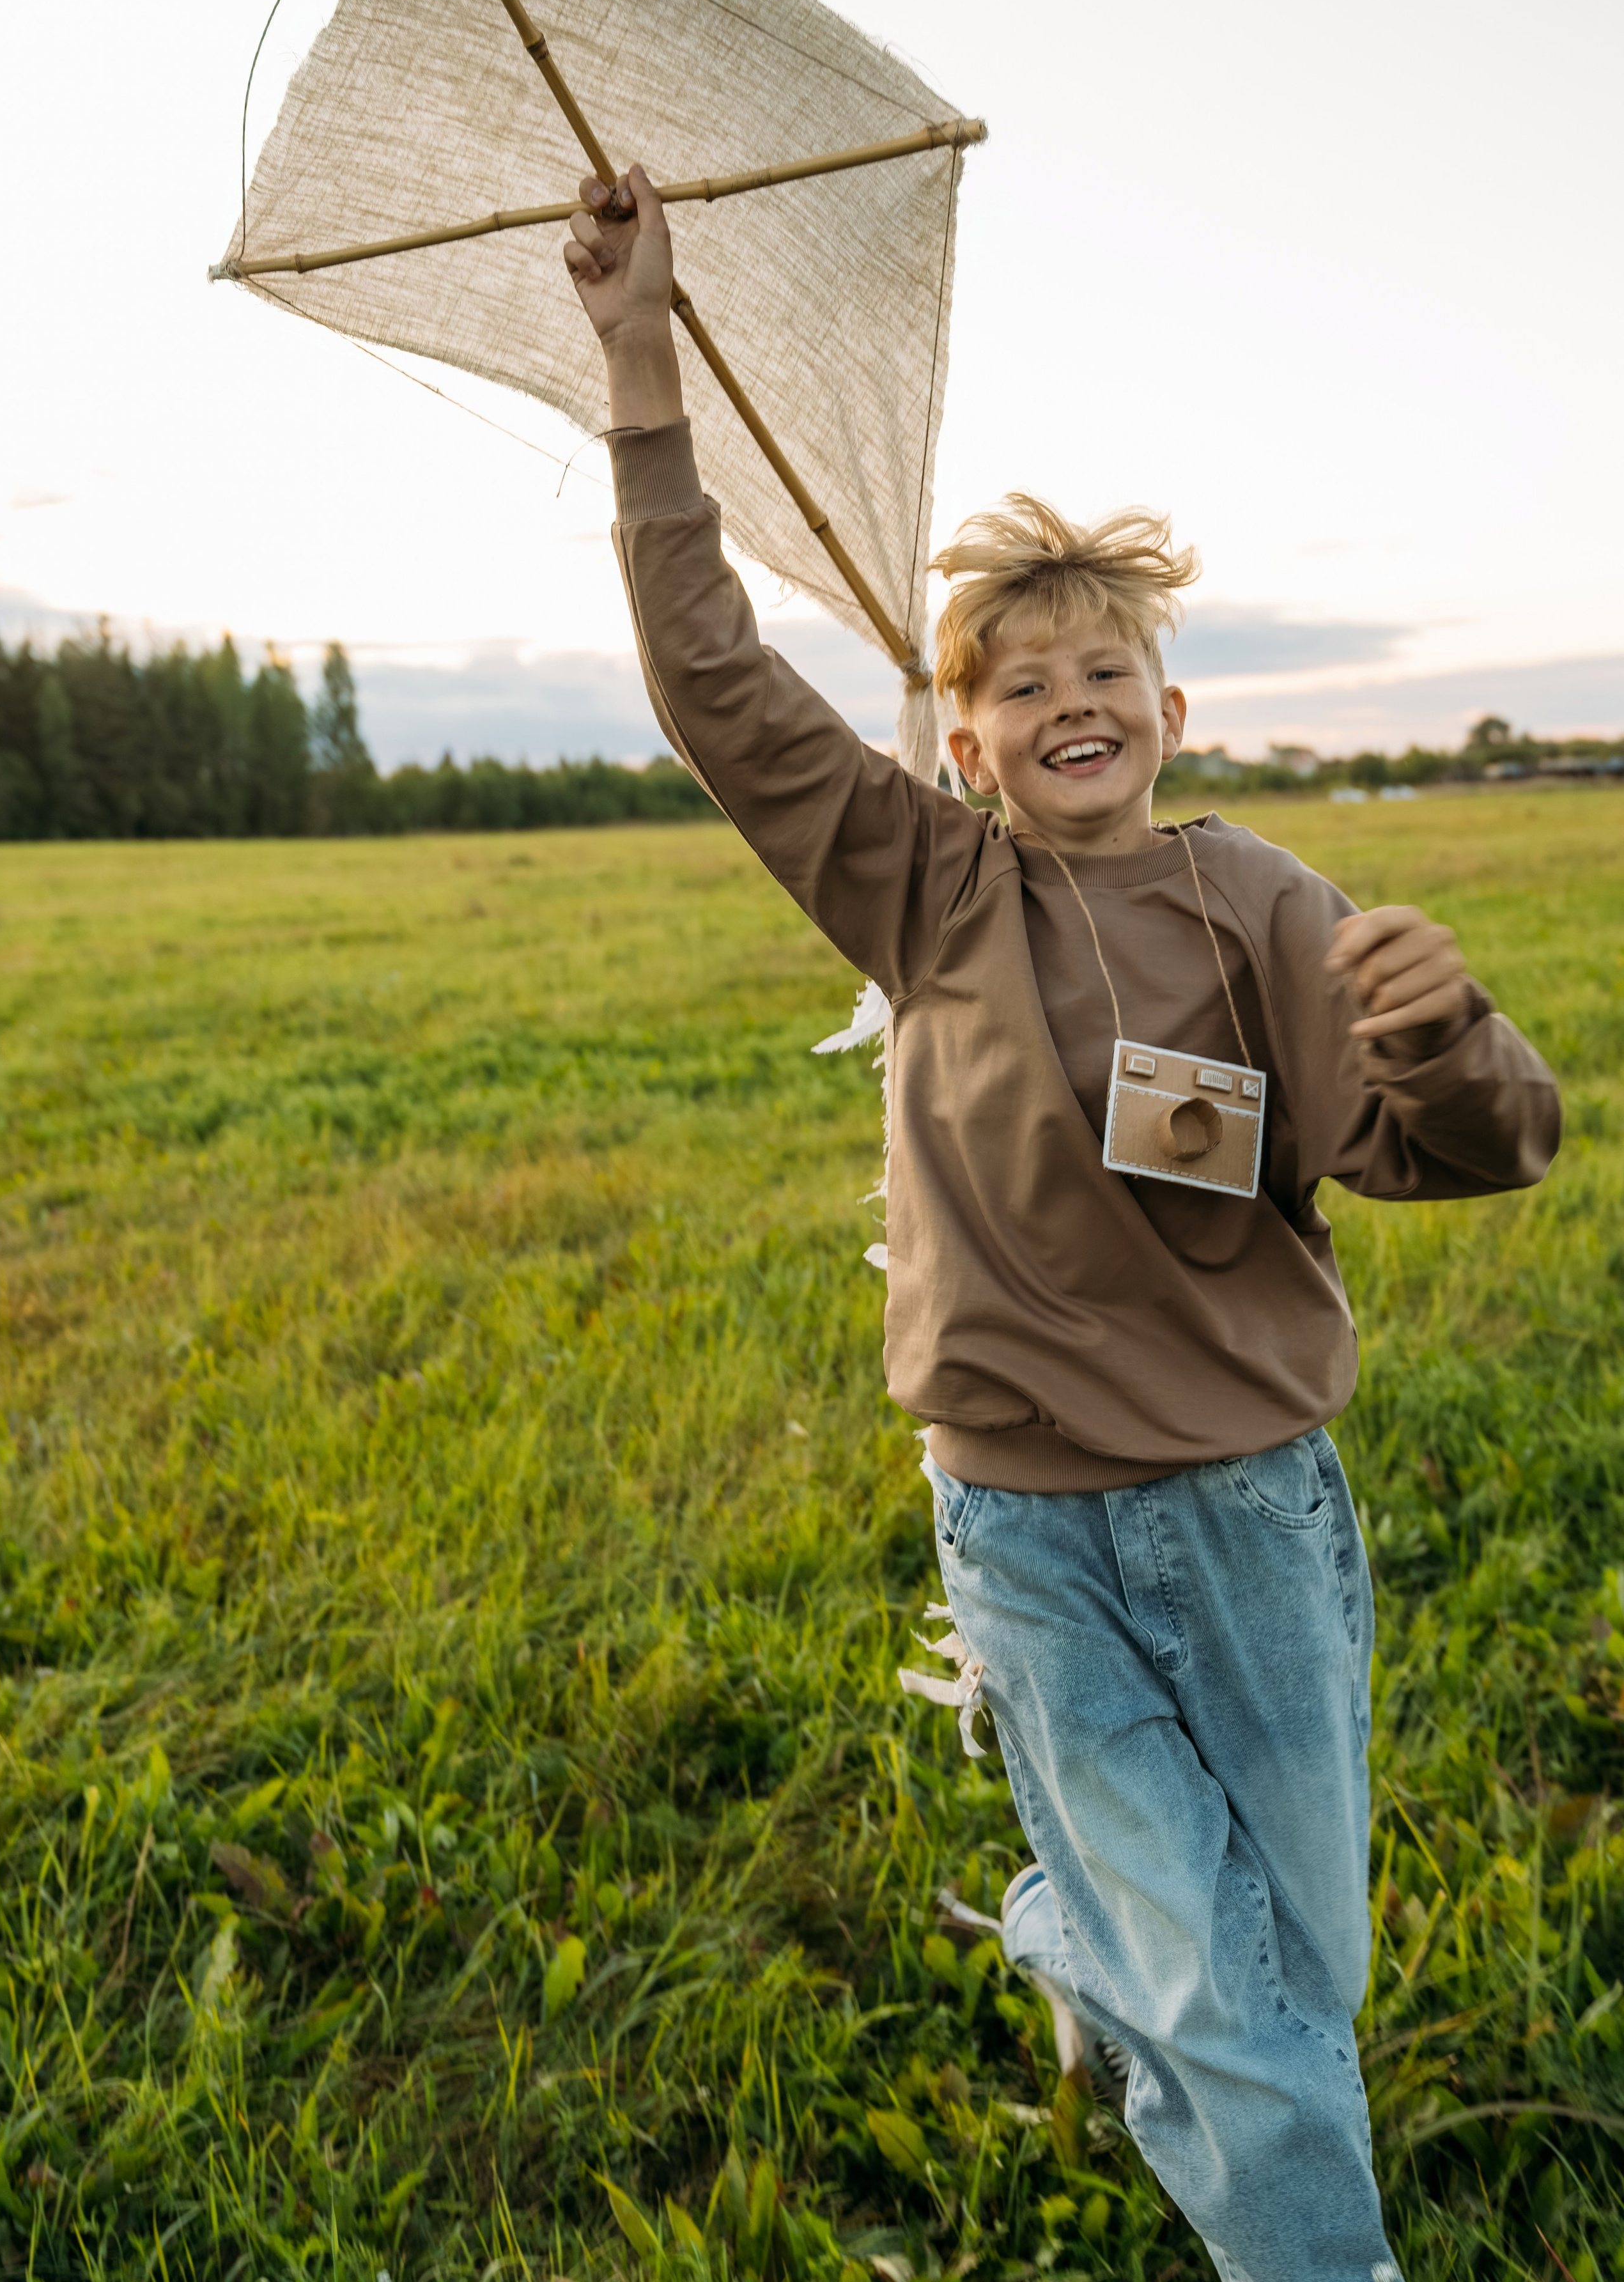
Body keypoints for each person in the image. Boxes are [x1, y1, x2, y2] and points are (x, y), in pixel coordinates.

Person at [563, 165, 1561, 2282]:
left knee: (1304, 1969)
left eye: (1106, 668)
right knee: (1245, 2011)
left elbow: (1466, 1149)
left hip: (1248, 1509)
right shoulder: (924, 888)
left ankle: (1067, 1933)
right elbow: (714, 681)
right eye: (1020, 686)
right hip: (1023, 1527)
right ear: (966, 739)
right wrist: (644, 360)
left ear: (1171, 713)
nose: (1069, 702)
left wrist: (1448, 1036)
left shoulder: (1264, 904)